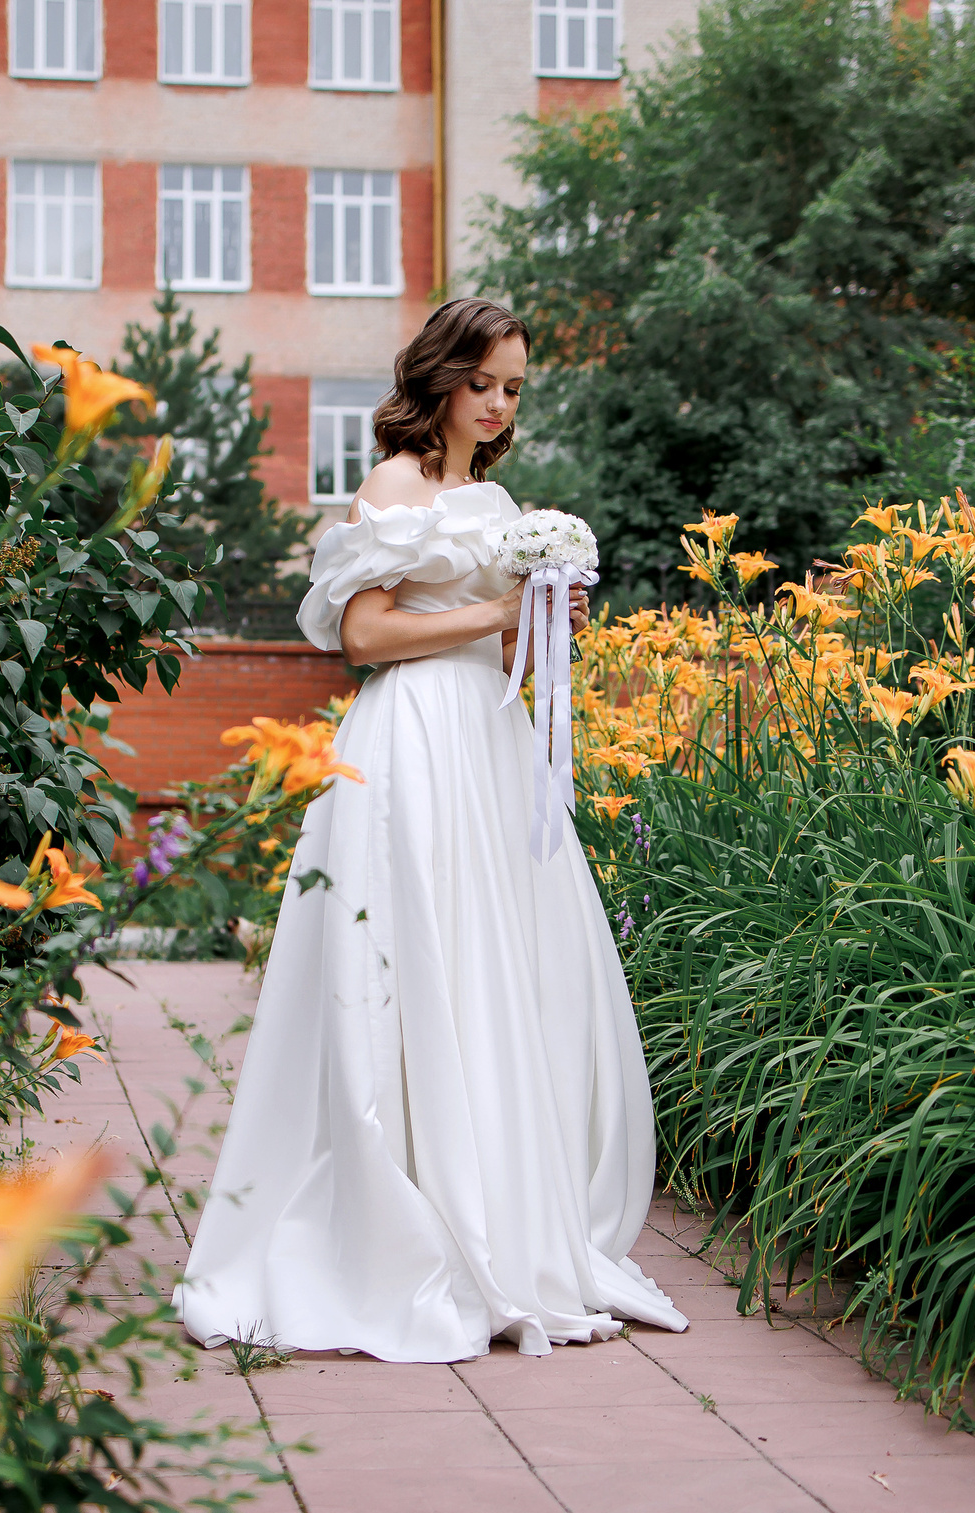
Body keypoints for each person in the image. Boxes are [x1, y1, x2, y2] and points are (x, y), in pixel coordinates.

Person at [174, 297, 689, 1362]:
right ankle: (399, 1225)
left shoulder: (498, 498)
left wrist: (544, 624)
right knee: (407, 963)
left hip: (488, 749)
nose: (498, 405)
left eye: (513, 388)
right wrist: (502, 611)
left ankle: (499, 1216)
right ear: (441, 377)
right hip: (408, 744)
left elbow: (500, 657)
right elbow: (364, 636)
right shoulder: (393, 488)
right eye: (484, 382)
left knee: (495, 969)